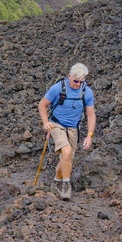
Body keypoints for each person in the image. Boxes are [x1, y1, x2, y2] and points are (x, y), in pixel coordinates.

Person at [37, 63, 96, 200]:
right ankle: (66, 186)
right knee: (67, 151)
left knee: (67, 157)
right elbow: (42, 104)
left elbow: (91, 114)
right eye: (75, 81)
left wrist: (89, 135)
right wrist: (46, 122)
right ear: (69, 76)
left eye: (81, 82)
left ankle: (56, 182)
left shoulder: (86, 92)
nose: (78, 84)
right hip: (56, 124)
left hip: (73, 127)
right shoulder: (58, 88)